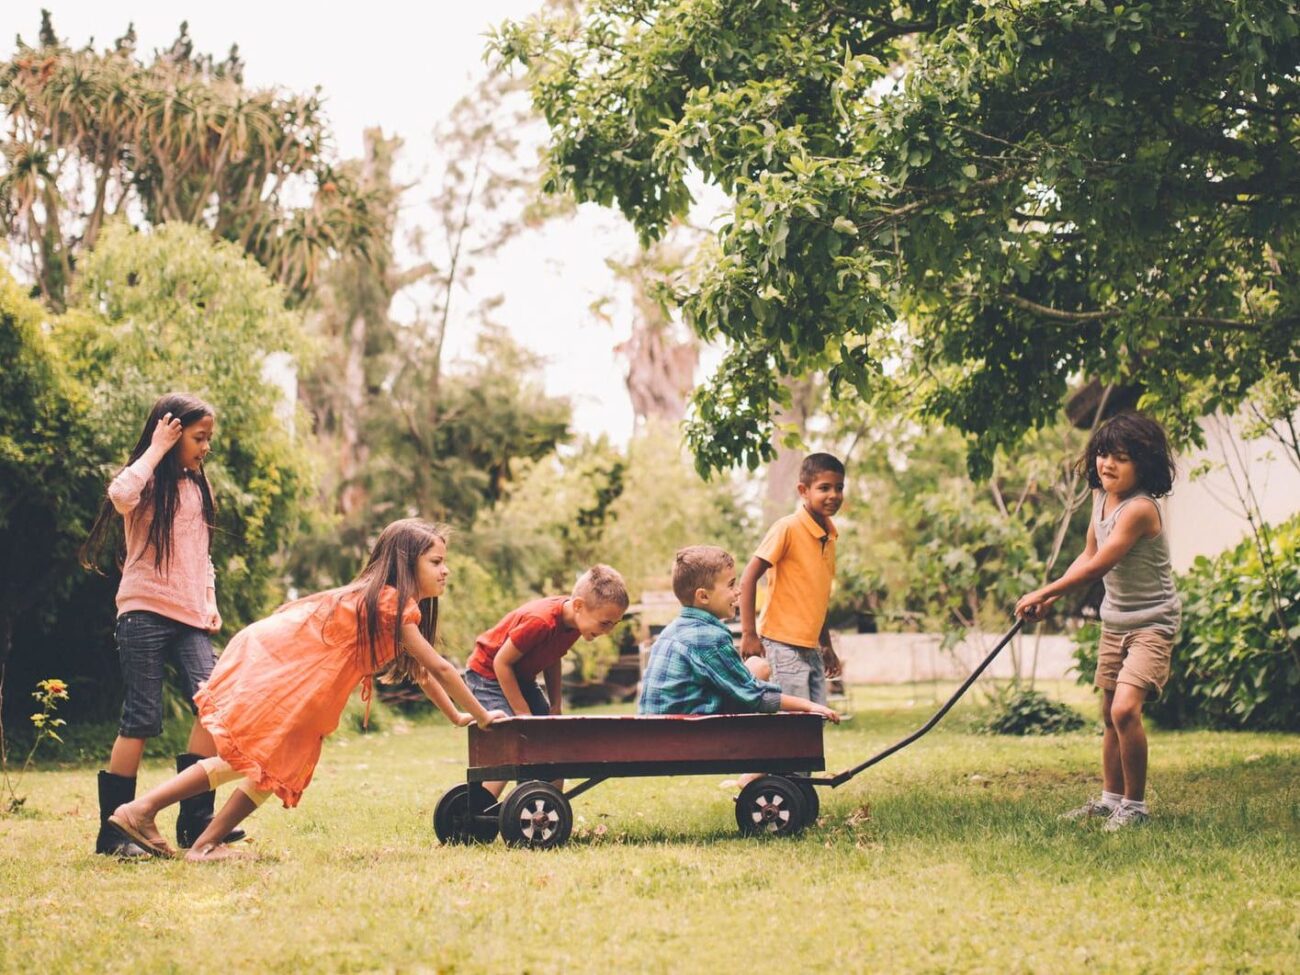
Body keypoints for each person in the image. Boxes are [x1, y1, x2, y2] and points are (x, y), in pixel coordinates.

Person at [105, 519, 505, 861]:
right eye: (436, 562)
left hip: (303, 683)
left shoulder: (388, 602)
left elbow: (421, 672)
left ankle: (205, 847)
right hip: (289, 674)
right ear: (406, 564)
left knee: (271, 769)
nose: (445, 570)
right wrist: (484, 716)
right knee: (243, 760)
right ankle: (141, 809)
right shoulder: (390, 602)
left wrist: (456, 715)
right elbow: (438, 666)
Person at [81, 393, 233, 858]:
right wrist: (157, 447)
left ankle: (196, 821)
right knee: (142, 717)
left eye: (208, 438)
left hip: (191, 617)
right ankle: (114, 834)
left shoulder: (196, 487)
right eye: (198, 437)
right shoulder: (146, 482)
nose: (205, 447)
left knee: (213, 706)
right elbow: (120, 494)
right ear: (172, 433)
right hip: (144, 610)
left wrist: (209, 601)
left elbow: (200, 555)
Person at [1016, 412, 1180, 831]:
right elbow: (1088, 554)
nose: (1108, 464)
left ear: (1143, 465)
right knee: (1109, 713)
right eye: (1104, 454)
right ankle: (1110, 801)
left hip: (1152, 623)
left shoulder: (1141, 509)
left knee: (1126, 710)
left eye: (1121, 458)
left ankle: (1136, 807)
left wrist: (1045, 591)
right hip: (1115, 621)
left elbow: (1099, 567)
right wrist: (1050, 598)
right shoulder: (1100, 497)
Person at [465, 565, 629, 796]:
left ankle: (541, 806)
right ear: (579, 605)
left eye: (614, 624)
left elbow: (553, 658)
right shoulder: (541, 621)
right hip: (488, 675)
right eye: (605, 623)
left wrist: (555, 704)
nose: (609, 631)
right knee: (511, 741)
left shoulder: (574, 623)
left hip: (521, 677)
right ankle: (478, 809)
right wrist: (523, 714)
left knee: (550, 741)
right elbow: (501, 663)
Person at [639, 545, 840, 725]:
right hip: (686, 739)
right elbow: (754, 695)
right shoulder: (708, 637)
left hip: (658, 736)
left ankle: (759, 767)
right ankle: (763, 767)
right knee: (758, 668)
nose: (738, 592)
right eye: (731, 585)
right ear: (703, 596)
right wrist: (809, 705)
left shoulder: (672, 630)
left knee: (753, 668)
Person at [738, 453, 845, 705]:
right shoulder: (787, 528)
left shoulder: (829, 537)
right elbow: (748, 578)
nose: (833, 495)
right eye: (824, 488)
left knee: (815, 717)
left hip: (811, 647)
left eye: (839, 488)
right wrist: (749, 633)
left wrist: (826, 645)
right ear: (803, 490)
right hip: (781, 644)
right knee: (794, 721)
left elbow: (819, 597)